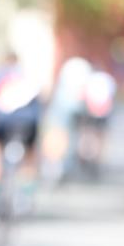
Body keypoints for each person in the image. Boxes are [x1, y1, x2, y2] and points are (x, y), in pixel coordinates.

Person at [0, 52, 42, 219]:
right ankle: (26, 196)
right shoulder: (27, 77)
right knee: (30, 155)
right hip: (28, 124)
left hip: (2, 123)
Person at [40, 56, 92, 184]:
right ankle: (63, 164)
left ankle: (56, 164)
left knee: (58, 135)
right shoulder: (83, 69)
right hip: (73, 108)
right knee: (68, 136)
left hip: (62, 108)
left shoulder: (69, 70)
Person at [76, 66, 117, 177]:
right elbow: (112, 96)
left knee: (87, 133)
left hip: (90, 111)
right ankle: (96, 159)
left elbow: (82, 95)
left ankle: (85, 155)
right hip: (103, 111)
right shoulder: (108, 79)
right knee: (99, 136)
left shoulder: (90, 78)